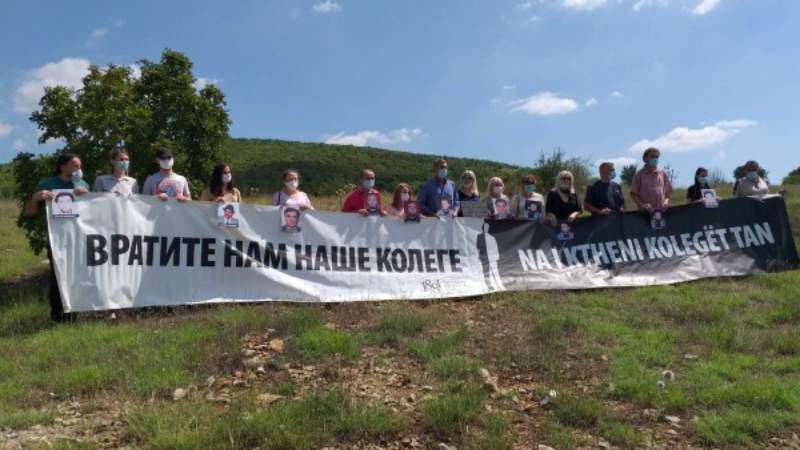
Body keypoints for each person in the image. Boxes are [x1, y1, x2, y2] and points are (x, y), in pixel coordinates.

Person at [25, 153, 90, 322]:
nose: (79, 169)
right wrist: (36, 198)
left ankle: (74, 315)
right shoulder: (47, 184)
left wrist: (87, 196)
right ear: (63, 167)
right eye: (75, 166)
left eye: (80, 166)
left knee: (77, 277)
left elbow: (90, 213)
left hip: (78, 240)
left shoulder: (82, 184)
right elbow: (30, 212)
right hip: (56, 240)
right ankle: (58, 317)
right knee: (58, 277)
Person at [631, 147, 672, 212]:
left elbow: (668, 192)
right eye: (652, 157)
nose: (655, 159)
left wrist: (666, 202)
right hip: (645, 214)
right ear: (645, 158)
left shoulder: (662, 173)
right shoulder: (638, 175)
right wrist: (642, 205)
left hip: (661, 211)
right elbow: (633, 194)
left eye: (657, 157)